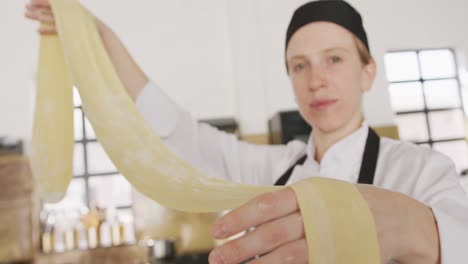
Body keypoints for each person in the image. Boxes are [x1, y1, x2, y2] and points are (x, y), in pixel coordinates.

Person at [26, 0, 468, 263]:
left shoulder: (418, 170)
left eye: (334, 59)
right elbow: (178, 132)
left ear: (367, 72)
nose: (316, 79)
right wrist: (99, 36)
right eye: (300, 65)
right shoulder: (273, 167)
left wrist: (417, 228)